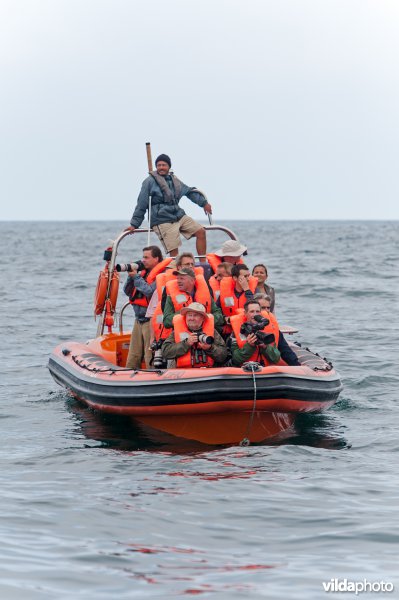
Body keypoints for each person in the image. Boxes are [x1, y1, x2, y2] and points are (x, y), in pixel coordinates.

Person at [126, 154, 212, 261]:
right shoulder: (149, 181)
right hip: (161, 220)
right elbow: (141, 204)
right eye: (159, 165)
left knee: (201, 232)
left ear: (169, 166)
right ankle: (175, 273)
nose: (161, 167)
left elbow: (189, 192)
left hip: (178, 215)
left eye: (164, 165)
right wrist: (134, 224)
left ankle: (203, 264)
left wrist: (203, 203)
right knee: (174, 252)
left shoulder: (174, 180)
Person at [123, 245, 172, 369]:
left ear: (156, 259)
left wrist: (136, 277)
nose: (143, 260)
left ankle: (153, 380)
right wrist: (131, 276)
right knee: (133, 356)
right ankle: (129, 378)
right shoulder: (142, 273)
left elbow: (149, 291)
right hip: (138, 319)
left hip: (150, 321)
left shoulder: (162, 275)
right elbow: (127, 291)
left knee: (149, 354)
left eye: (147, 257)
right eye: (143, 257)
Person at [230, 300, 300, 367]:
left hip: (266, 371)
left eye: (257, 311)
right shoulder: (237, 331)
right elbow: (236, 359)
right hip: (245, 370)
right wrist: (249, 346)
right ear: (245, 313)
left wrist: (265, 347)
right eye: (252, 311)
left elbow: (276, 358)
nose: (255, 314)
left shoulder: (268, 330)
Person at [162, 303, 228, 367]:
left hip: (208, 373)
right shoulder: (177, 331)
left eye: (195, 315)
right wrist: (186, 343)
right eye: (189, 315)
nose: (192, 318)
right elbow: (165, 351)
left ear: (203, 318)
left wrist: (210, 348)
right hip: (183, 373)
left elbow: (223, 355)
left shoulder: (212, 331)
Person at [162, 267, 224, 332]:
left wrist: (202, 318)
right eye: (177, 278)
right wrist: (186, 315)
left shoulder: (205, 294)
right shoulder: (171, 296)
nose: (178, 281)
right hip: (183, 336)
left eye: (182, 278)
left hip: (205, 334)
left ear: (192, 280)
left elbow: (219, 316)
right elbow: (166, 321)